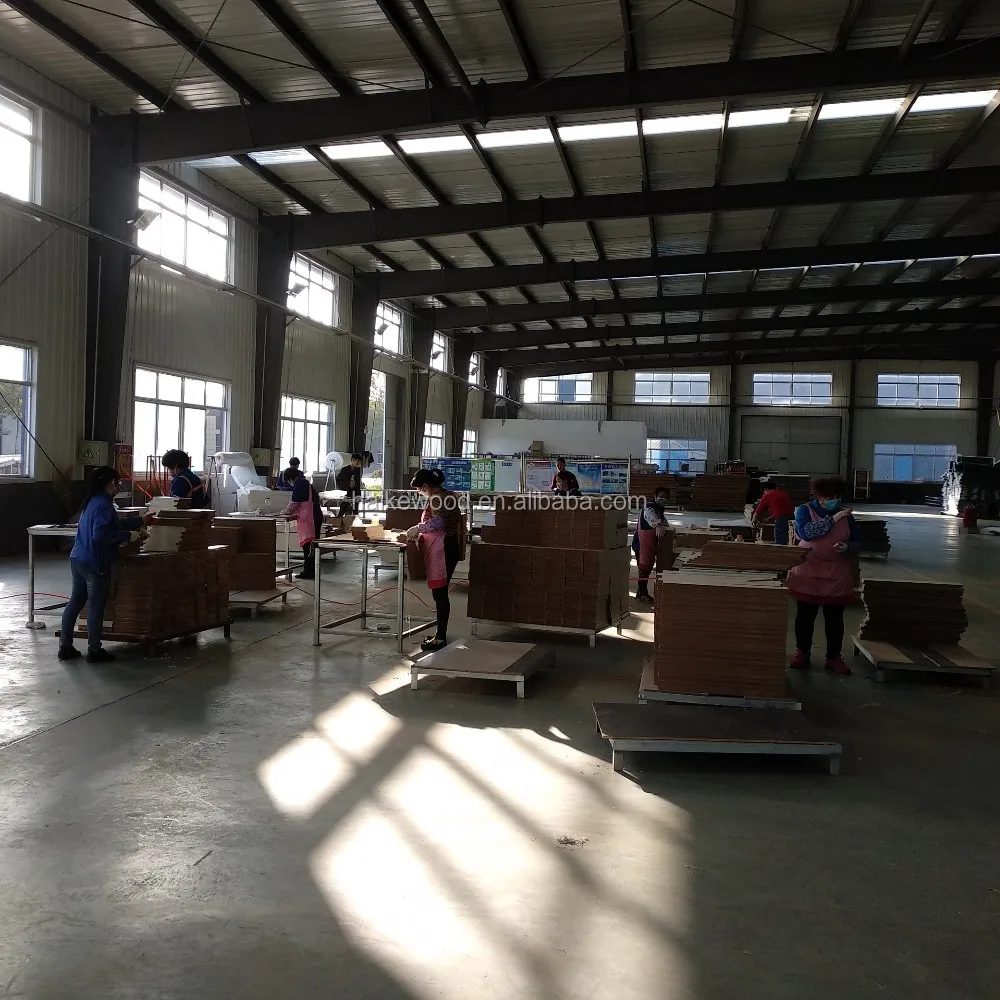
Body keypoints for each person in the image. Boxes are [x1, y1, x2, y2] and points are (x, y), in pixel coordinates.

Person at [58, 466, 146, 663]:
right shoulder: (104, 504)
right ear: (111, 482)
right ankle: (95, 650)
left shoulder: (92, 501)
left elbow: (112, 525)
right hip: (95, 561)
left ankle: (65, 646)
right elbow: (101, 534)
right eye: (117, 482)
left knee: (76, 601)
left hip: (78, 558)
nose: (118, 485)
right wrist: (128, 536)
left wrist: (141, 520)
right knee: (96, 605)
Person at [785, 475, 860, 675]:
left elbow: (858, 542)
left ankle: (834, 657)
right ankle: (802, 653)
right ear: (819, 497)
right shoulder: (804, 510)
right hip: (808, 571)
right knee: (805, 616)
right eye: (829, 497)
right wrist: (832, 520)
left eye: (837, 497)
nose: (834, 500)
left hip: (836, 573)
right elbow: (806, 533)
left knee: (834, 618)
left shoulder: (847, 516)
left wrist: (847, 547)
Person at [406, 467, 463, 651]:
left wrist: (418, 528)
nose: (418, 492)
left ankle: (440, 637)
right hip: (450, 546)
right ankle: (440, 633)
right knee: (441, 592)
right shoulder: (449, 495)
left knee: (439, 593)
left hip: (443, 548)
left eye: (418, 488)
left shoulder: (437, 498)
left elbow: (439, 522)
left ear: (425, 486)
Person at [283, 467, 324, 580]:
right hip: (314, 515)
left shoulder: (300, 484)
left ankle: (309, 571)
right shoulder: (305, 483)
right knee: (312, 545)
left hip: (310, 517)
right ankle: (312, 570)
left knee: (308, 545)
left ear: (291, 478)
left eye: (288, 480)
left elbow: (294, 503)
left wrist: (285, 512)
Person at [632, 487, 671, 604]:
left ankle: (640, 593)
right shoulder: (649, 506)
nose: (664, 499)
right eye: (661, 496)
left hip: (649, 544)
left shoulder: (659, 509)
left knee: (647, 568)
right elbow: (652, 519)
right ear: (655, 496)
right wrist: (658, 524)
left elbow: (665, 522)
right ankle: (642, 594)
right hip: (641, 543)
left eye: (666, 497)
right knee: (644, 569)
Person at [753, 480, 795, 546]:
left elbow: (759, 509)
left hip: (781, 519)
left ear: (766, 489)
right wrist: (769, 518)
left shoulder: (768, 495)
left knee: (780, 540)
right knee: (790, 538)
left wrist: (754, 519)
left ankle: (779, 551)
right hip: (792, 517)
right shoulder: (784, 494)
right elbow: (781, 510)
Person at [335, 453, 364, 517]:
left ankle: (354, 521)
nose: (358, 463)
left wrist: (359, 494)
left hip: (355, 492)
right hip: (346, 492)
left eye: (359, 462)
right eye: (357, 461)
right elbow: (338, 479)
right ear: (353, 460)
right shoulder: (345, 469)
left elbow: (358, 482)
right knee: (343, 508)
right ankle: (338, 520)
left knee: (355, 510)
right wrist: (341, 488)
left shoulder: (357, 470)